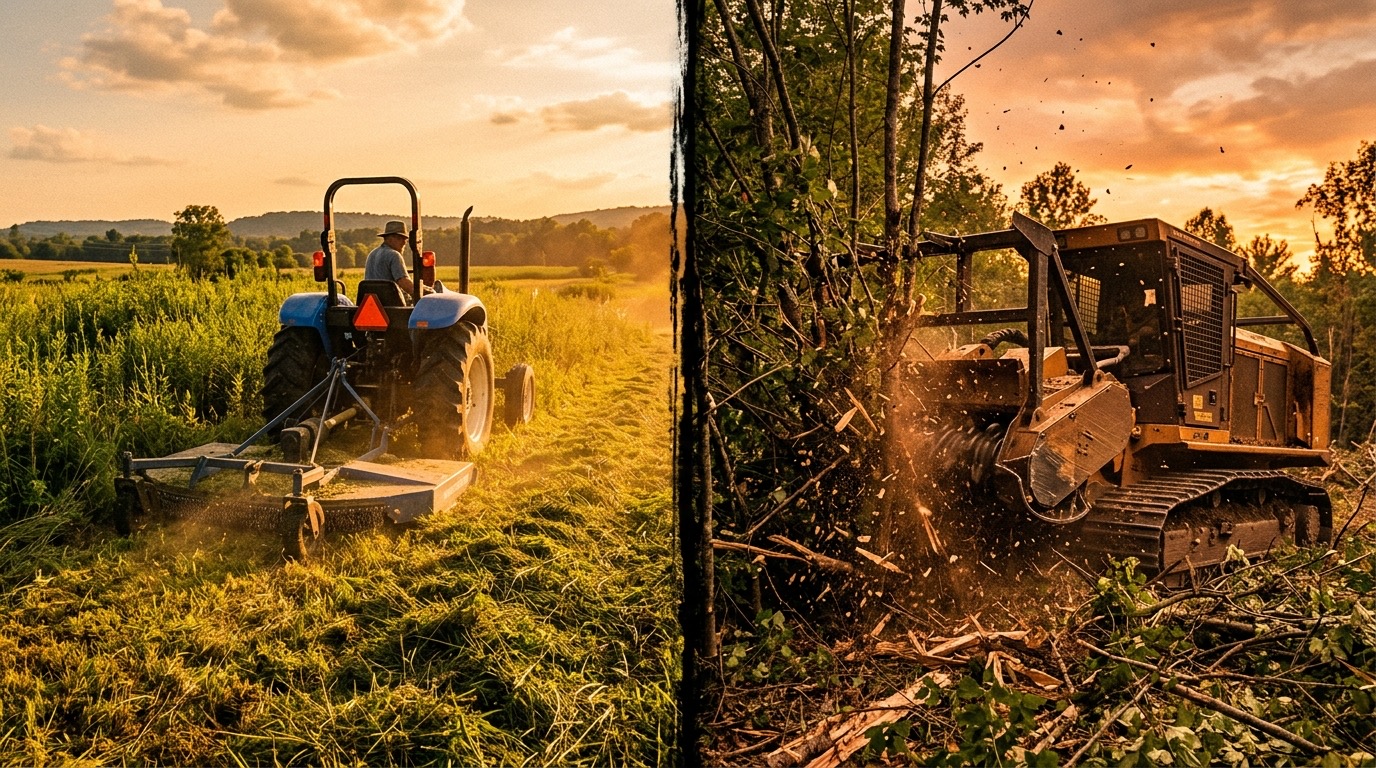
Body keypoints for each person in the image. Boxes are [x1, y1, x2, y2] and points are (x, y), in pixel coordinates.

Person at [363, 220, 427, 297]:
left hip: (370, 299)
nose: (404, 242)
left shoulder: (372, 254)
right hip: (390, 301)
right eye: (400, 238)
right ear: (389, 239)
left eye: (405, 239)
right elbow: (405, 284)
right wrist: (426, 291)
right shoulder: (394, 255)